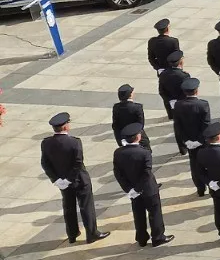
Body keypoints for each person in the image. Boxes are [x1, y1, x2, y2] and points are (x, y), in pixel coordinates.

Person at [41, 112, 109, 244]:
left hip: (62, 183)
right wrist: (69, 178)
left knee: (69, 208)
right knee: (86, 206)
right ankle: (91, 233)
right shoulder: (74, 142)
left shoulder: (46, 143)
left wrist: (57, 180)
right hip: (79, 180)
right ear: (66, 127)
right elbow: (77, 163)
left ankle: (72, 234)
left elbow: (45, 163)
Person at [113, 125, 171, 247]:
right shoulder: (144, 152)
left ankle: (142, 238)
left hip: (133, 191)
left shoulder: (118, 153)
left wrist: (130, 189)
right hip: (148, 189)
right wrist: (139, 188)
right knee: (154, 212)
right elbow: (146, 173)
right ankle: (157, 236)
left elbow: (118, 174)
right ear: (138, 137)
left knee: (138, 214)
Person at [174, 78, 212, 196]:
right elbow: (206, 125)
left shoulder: (178, 105)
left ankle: (200, 189)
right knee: (208, 164)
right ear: (196, 91)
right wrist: (200, 140)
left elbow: (178, 126)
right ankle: (211, 187)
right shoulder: (203, 104)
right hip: (203, 142)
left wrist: (185, 141)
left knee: (195, 165)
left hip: (189, 141)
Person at [112, 83, 149, 153]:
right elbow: (141, 124)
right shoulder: (137, 107)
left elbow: (115, 125)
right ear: (130, 94)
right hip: (137, 136)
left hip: (123, 137)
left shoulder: (116, 107)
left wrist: (119, 139)